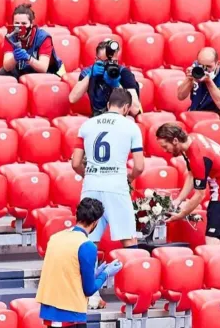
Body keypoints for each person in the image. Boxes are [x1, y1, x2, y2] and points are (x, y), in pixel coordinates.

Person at [71, 87, 144, 309]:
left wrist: (91, 175)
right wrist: (129, 178)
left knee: (88, 239)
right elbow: (139, 166)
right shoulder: (130, 126)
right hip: (116, 185)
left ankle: (89, 296)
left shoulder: (87, 125)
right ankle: (134, 297)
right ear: (125, 107)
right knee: (128, 240)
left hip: (91, 185)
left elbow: (75, 163)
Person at [36, 198, 123, 328]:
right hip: (69, 312)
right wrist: (106, 274)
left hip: (50, 309)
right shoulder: (87, 246)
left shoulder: (55, 238)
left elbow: (69, 271)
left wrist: (96, 273)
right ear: (95, 223)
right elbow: (89, 289)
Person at [155, 123, 220, 245]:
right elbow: (192, 174)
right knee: (218, 237)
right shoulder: (191, 140)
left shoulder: (198, 156)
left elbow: (200, 195)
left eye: (165, 146)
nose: (165, 151)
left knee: (212, 240)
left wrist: (182, 214)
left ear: (175, 140)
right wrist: (179, 200)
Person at [69, 41, 141, 117]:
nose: (110, 64)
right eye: (106, 61)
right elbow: (72, 98)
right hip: (97, 117)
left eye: (114, 61)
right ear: (96, 60)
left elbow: (135, 109)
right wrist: (90, 75)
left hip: (121, 118)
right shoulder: (89, 72)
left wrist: (116, 86)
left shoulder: (124, 73)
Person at [0, 3, 65, 79]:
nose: (20, 27)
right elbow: (7, 67)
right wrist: (15, 58)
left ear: (31, 24)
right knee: (3, 72)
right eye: (17, 23)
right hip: (23, 69)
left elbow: (43, 68)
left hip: (50, 71)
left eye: (24, 23)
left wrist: (28, 58)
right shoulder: (10, 36)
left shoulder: (43, 37)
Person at [177, 47, 220, 114]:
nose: (204, 69)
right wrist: (189, 79)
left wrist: (209, 82)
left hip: (218, 116)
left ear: (218, 63)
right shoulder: (196, 67)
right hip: (195, 112)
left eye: (208, 66)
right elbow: (180, 96)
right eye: (201, 65)